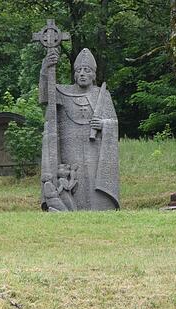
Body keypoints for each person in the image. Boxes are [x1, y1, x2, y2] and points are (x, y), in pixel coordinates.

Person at [39, 48, 120, 211]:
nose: (82, 74)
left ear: (93, 75)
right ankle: (67, 207)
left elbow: (113, 122)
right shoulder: (62, 92)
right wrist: (45, 69)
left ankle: (100, 208)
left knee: (92, 177)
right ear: (75, 75)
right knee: (73, 178)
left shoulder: (102, 95)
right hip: (70, 147)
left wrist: (104, 125)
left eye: (87, 70)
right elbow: (45, 97)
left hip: (94, 147)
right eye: (79, 70)